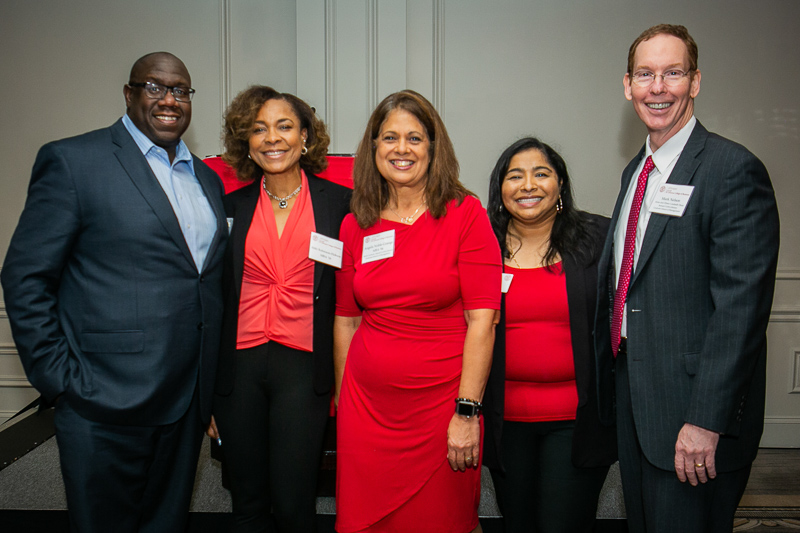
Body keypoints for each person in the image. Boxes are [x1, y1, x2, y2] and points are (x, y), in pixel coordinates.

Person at [1, 52, 227, 532]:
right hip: (103, 401)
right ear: (129, 94)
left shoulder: (206, 179)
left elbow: (204, 282)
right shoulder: (74, 161)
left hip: (186, 403)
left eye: (181, 90)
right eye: (155, 87)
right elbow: (25, 277)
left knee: (165, 524)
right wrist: (62, 380)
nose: (169, 99)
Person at [594, 24, 780, 532]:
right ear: (626, 85)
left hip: (693, 419)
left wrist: (705, 420)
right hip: (638, 400)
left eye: (672, 73)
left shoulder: (731, 169)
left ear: (695, 82)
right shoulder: (636, 173)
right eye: (645, 74)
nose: (658, 87)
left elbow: (740, 311)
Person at [333, 90, 501, 533]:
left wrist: (467, 413)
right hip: (366, 414)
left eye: (414, 138)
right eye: (389, 138)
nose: (401, 149)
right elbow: (345, 320)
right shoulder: (357, 223)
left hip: (440, 412)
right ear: (373, 149)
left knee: (440, 521)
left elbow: (482, 321)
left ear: (433, 147)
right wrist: (345, 405)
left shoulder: (466, 216)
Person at [206, 85, 351, 532]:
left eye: (284, 126)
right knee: (247, 504)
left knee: (293, 504)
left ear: (305, 136)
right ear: (246, 142)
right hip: (239, 370)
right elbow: (214, 300)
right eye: (259, 129)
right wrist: (208, 390)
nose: (272, 138)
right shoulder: (229, 207)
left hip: (304, 369)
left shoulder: (339, 205)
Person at [482, 138, 616, 532]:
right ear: (499, 188)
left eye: (541, 174)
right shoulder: (480, 243)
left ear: (560, 185)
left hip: (576, 421)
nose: (528, 185)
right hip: (505, 421)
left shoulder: (598, 238)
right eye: (515, 176)